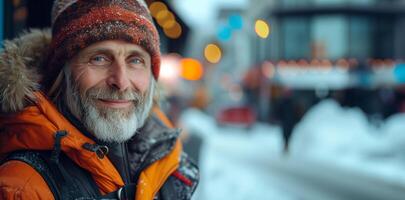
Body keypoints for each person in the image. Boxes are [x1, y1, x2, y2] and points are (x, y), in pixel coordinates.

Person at [0, 0, 199, 199]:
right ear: (62, 73)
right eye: (99, 58)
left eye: (135, 60)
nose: (121, 81)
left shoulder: (165, 154)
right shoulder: (21, 188)